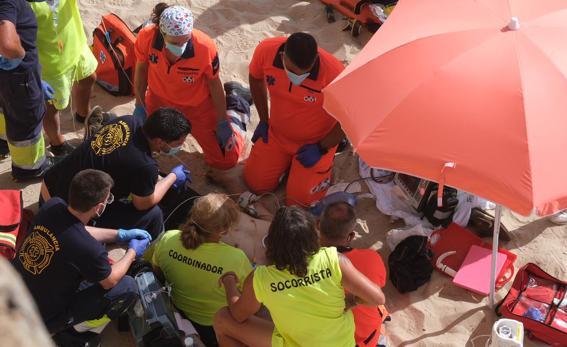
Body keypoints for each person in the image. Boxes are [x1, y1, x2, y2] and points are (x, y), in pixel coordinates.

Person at [12, 169, 151, 346]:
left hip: (15, 294)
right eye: (108, 199)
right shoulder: (89, 250)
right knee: (128, 287)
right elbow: (110, 280)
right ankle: (74, 335)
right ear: (99, 207)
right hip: (41, 319)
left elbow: (77, 230)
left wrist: (118, 235)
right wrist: (132, 252)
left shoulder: (53, 207)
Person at [213, 206, 385, 347]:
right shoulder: (334, 260)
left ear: (272, 242)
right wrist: (350, 302)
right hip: (341, 343)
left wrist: (229, 283)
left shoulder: (261, 278)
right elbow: (377, 299)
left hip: (295, 342)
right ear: (312, 235)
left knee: (222, 318)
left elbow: (238, 315)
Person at [40, 108, 192, 238]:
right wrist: (172, 177)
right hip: (65, 217)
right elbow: (143, 204)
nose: (180, 146)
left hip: (50, 188)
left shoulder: (127, 121)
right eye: (178, 143)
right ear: (159, 141)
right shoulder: (145, 166)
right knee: (153, 214)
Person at [134, 4, 246, 176]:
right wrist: (140, 105)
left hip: (197, 106)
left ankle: (237, 105)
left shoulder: (205, 47)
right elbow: (141, 70)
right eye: (175, 42)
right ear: (162, 33)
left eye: (186, 40)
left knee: (226, 161)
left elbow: (214, 84)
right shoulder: (146, 37)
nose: (181, 47)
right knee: (143, 143)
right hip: (159, 101)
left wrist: (223, 122)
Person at [243, 32, 346, 207]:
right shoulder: (266, 50)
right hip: (276, 134)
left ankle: (329, 156)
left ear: (314, 61)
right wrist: (263, 120)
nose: (297, 79)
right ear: (283, 57)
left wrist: (322, 146)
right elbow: (255, 77)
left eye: (305, 74)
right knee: (255, 184)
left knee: (300, 202)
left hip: (316, 143)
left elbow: (349, 119)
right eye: (291, 71)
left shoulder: (335, 73)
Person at [148, 193, 252, 346]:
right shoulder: (236, 258)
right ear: (223, 231)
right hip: (215, 324)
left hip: (178, 312)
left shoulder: (168, 238)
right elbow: (249, 297)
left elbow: (156, 272)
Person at [29, 0, 113, 157]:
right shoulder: (22, 6)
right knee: (51, 107)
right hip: (50, 67)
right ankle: (57, 143)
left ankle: (84, 114)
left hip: (75, 47)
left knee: (89, 78)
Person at [320, 201, 388, 347]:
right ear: (350, 236)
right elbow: (379, 292)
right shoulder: (372, 257)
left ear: (318, 225)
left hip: (331, 338)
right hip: (366, 338)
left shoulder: (306, 263)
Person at [0, 0, 54, 181]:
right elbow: (8, 45)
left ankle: (2, 143)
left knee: (4, 107)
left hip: (6, 76)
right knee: (27, 120)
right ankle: (30, 168)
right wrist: (19, 53)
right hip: (18, 77)